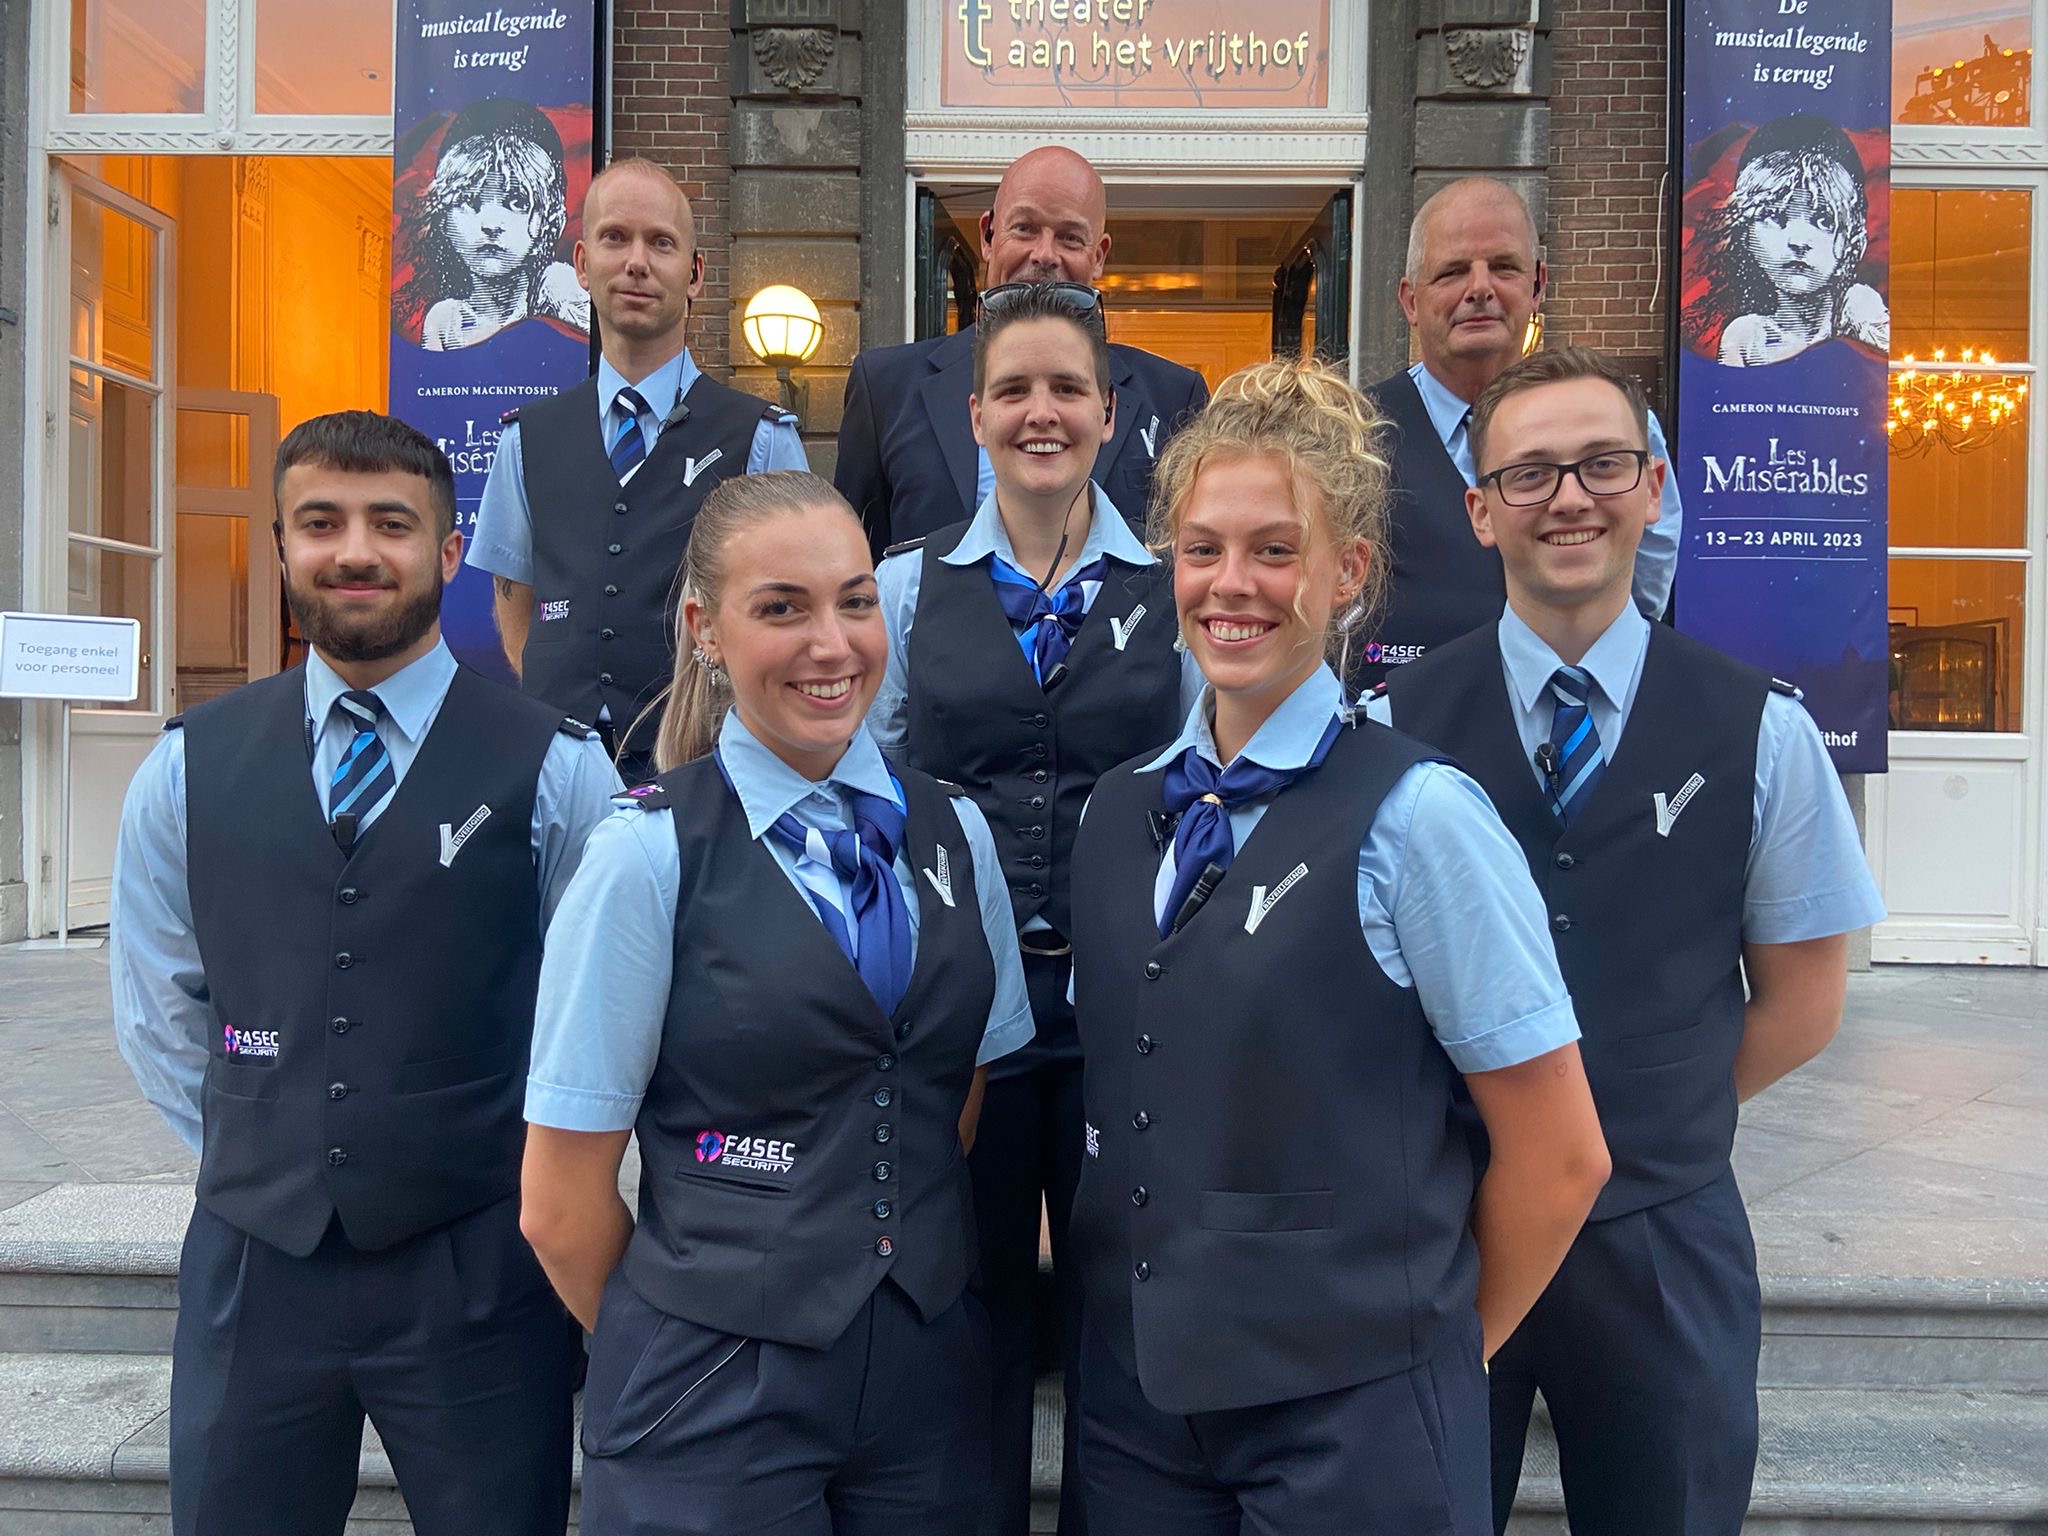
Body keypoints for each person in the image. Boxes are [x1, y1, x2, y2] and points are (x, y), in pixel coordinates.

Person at [1066, 360, 1612, 1535]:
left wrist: (1426, 1354)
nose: (1232, 584)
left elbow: (1560, 1155)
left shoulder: (1422, 819)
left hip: (1352, 1419)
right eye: (1202, 549)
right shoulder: (1118, 811)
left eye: (1274, 550)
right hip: (1138, 1420)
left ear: (1346, 572)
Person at [1370, 346, 1886, 1535]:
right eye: (1530, 472)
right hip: (1443, 1226)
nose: (1568, 498)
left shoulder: (1761, 730)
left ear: (1652, 486)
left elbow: (1803, 1004)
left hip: (1664, 1236)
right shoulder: (1389, 726)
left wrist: (1649, 1103)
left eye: (1601, 464)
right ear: (1479, 508)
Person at [109, 411, 621, 1536]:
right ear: (281, 548)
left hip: (481, 1263)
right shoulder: (184, 769)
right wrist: (276, 1141)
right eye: (320, 523)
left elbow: (595, 1020)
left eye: (391, 523)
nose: (354, 551)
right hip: (255, 1265)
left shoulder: (559, 769)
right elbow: (157, 1011)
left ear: (449, 551)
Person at [518, 470, 1037, 1536]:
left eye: (855, 601)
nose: (830, 644)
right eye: (782, 608)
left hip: (923, 1383)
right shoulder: (643, 855)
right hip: (706, 1393)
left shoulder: (958, 835)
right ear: (705, 630)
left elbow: (953, 1097)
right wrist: (692, 1329)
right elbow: (558, 1200)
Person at [868, 281, 1201, 1536]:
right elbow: (873, 791)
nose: (1039, 411)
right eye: (1012, 389)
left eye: (1066, 387)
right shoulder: (903, 592)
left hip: (1128, 1014)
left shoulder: (1175, 589)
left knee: (1123, 1300)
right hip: (965, 1018)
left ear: (1109, 413)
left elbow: (1207, 786)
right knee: (974, 1303)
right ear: (975, 416)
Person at [468, 156, 808, 781]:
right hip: (555, 772)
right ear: (581, 264)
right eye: (615, 237)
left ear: (695, 274)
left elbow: (794, 609)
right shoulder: (525, 440)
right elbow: (514, 600)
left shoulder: (760, 439)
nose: (637, 262)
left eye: (661, 243)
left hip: (705, 769)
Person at [1358, 177, 1683, 692]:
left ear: (1537, 286)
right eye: (1452, 271)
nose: (1480, 289)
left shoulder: (1614, 423)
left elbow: (1646, 579)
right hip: (1398, 723)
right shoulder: (1353, 433)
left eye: (1504, 267)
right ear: (1410, 300)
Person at [835, 144, 1209, 557]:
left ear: (1099, 255)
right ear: (988, 235)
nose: (1045, 255)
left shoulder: (1174, 396)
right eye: (1025, 228)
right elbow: (850, 562)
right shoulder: (885, 388)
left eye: (1070, 237)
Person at [1686, 114, 1890, 368]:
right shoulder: (1743, 339)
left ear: (1854, 240)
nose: (1799, 241)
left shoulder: (1867, 316)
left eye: (1823, 220)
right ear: (1745, 233)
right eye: (1775, 216)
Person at [394, 96, 590, 351]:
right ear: (443, 217)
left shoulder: (572, 302)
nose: (491, 224)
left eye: (517, 202)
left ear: (549, 219)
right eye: (469, 200)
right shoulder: (439, 325)